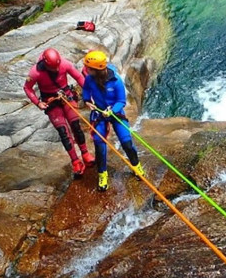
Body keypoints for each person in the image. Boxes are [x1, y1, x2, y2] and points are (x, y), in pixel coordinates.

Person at [24, 48, 94, 177]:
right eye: (53, 68)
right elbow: (27, 88)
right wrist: (38, 103)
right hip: (51, 102)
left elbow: (79, 77)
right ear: (45, 64)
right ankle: (75, 161)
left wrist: (90, 93)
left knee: (76, 126)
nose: (56, 70)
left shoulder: (64, 63)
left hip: (67, 97)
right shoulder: (35, 72)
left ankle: (85, 154)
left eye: (57, 66)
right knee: (63, 132)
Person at [81, 50, 144, 191]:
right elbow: (85, 90)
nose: (86, 70)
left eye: (89, 68)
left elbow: (121, 101)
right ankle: (102, 173)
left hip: (115, 113)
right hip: (99, 112)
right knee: (99, 144)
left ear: (96, 69)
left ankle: (136, 165)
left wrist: (112, 111)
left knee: (126, 141)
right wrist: (87, 100)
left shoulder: (115, 80)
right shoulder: (89, 79)